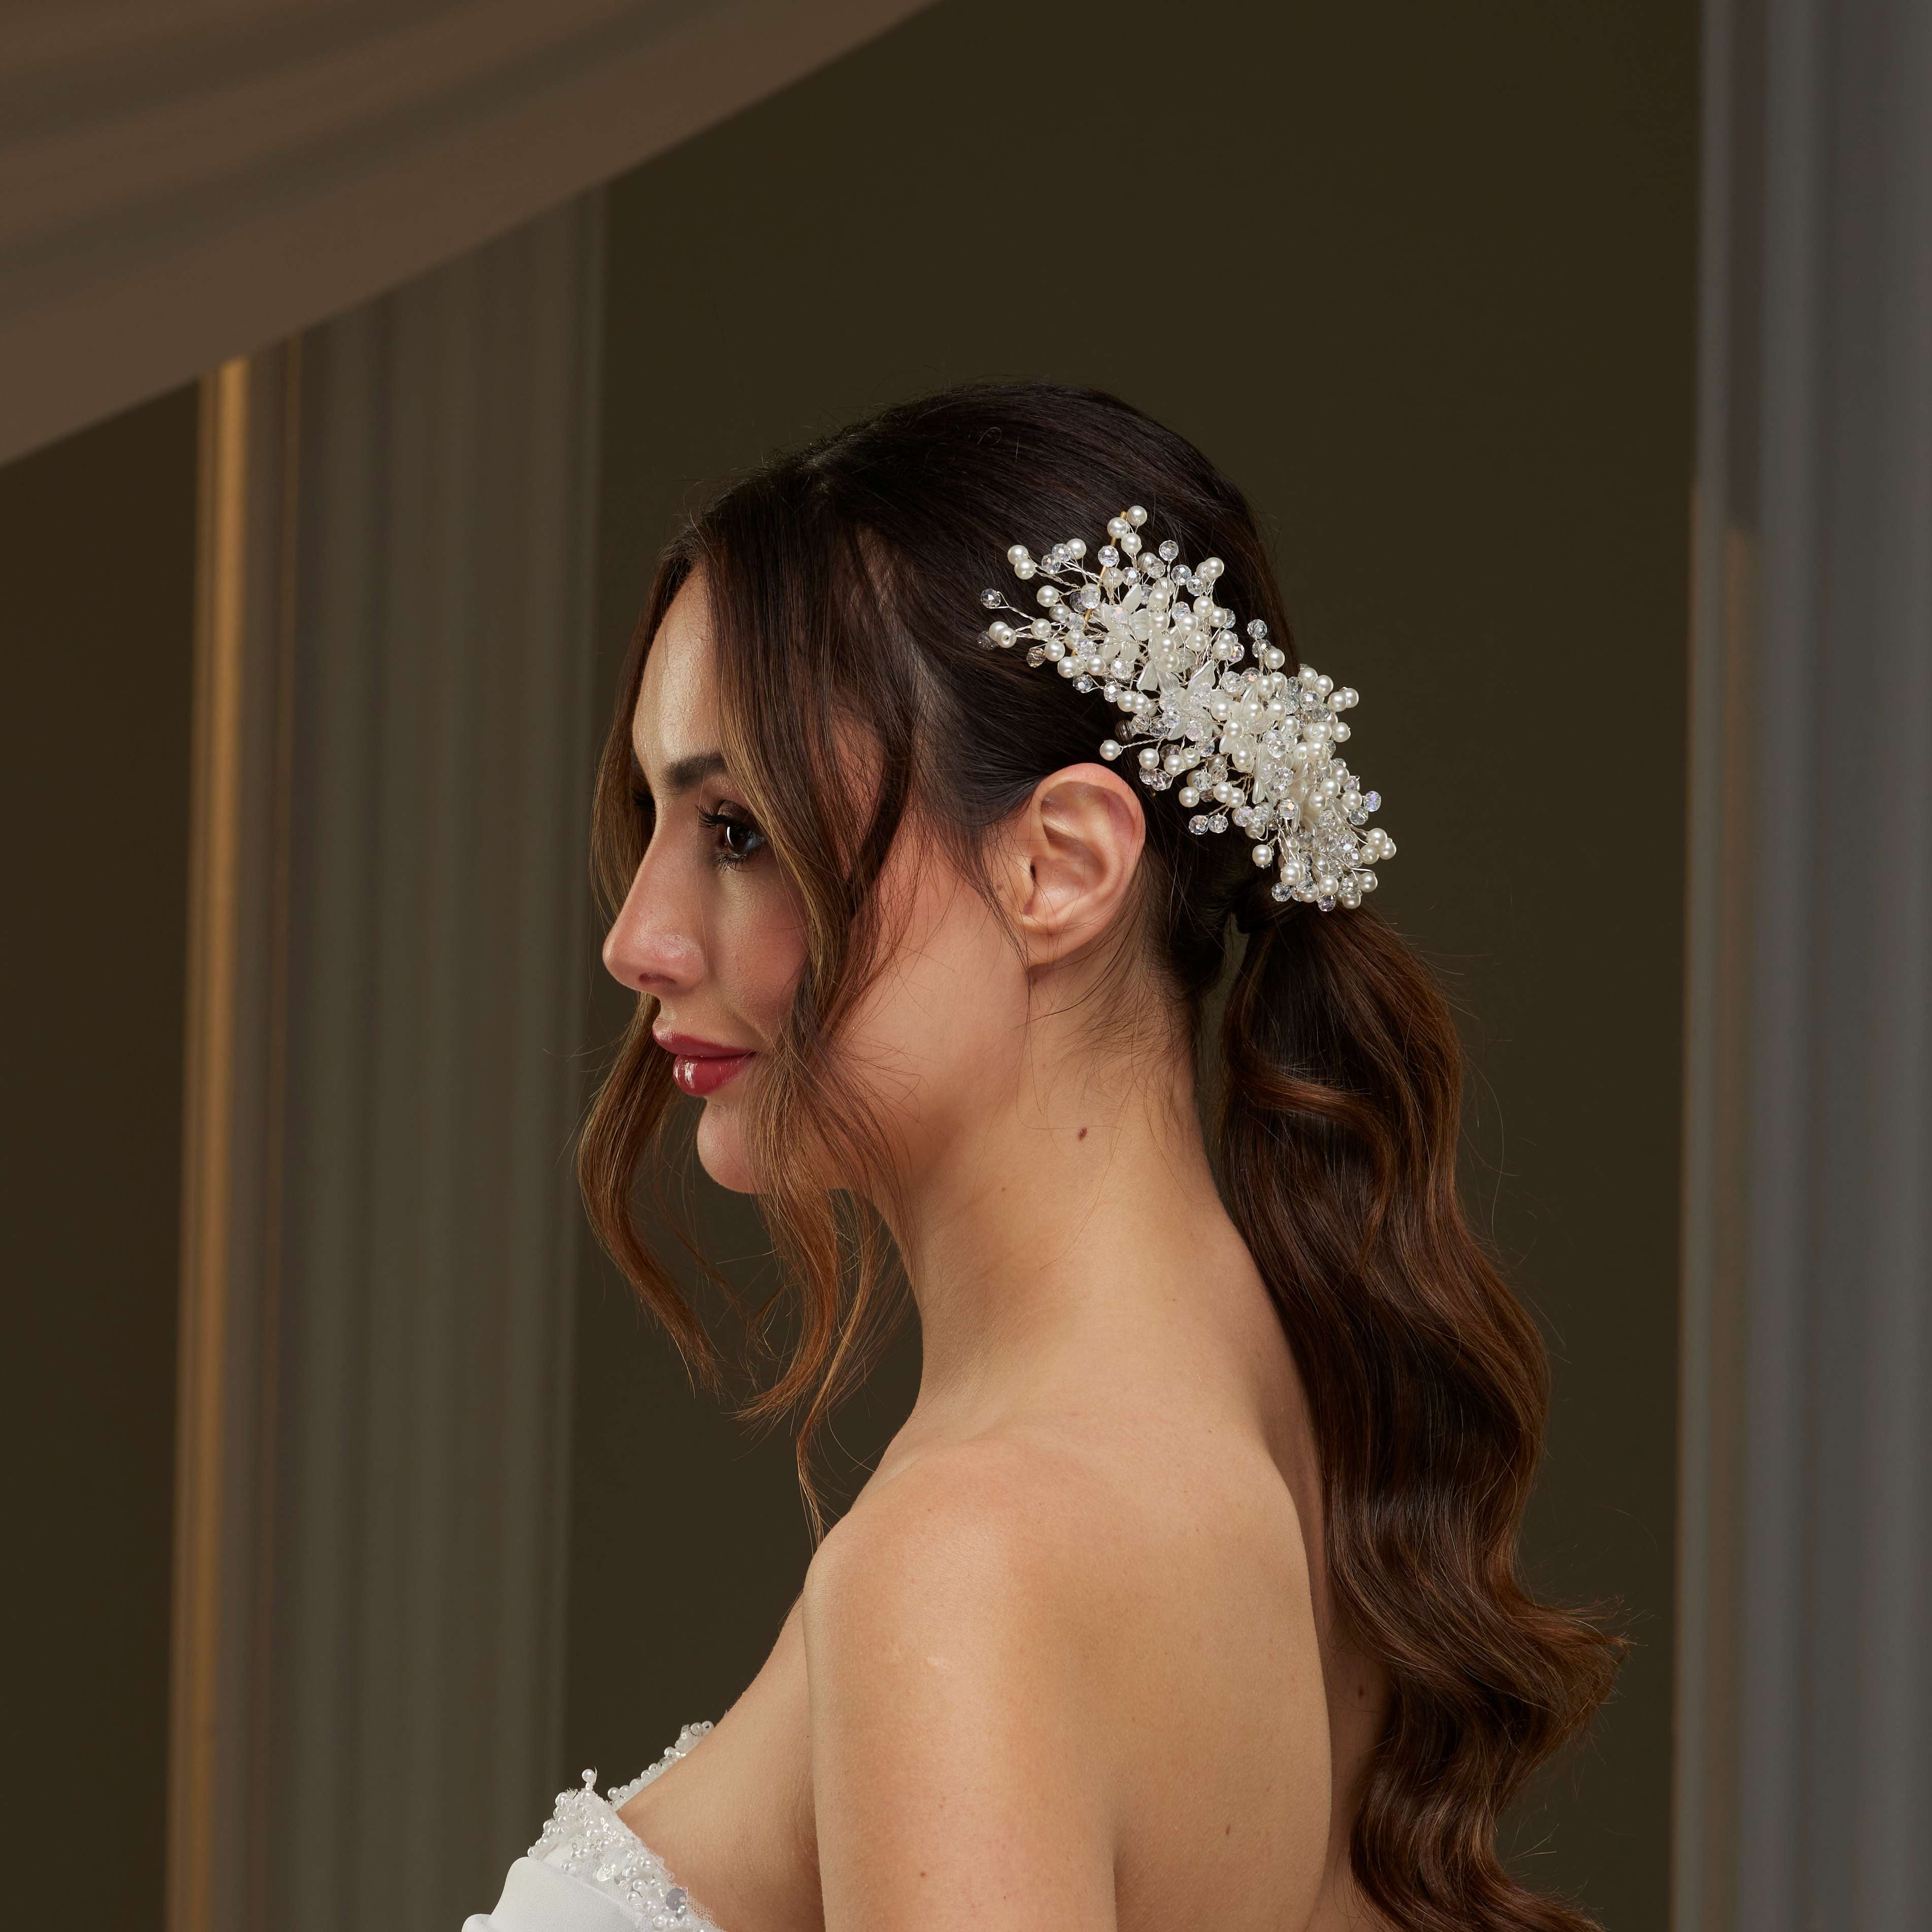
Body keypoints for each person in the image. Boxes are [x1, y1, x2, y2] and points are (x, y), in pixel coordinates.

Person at [466, 381, 1622, 1932]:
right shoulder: (1303, 1424)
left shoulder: (969, 1562)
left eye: (736, 829)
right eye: (657, 823)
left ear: (1059, 865)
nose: (638, 937)